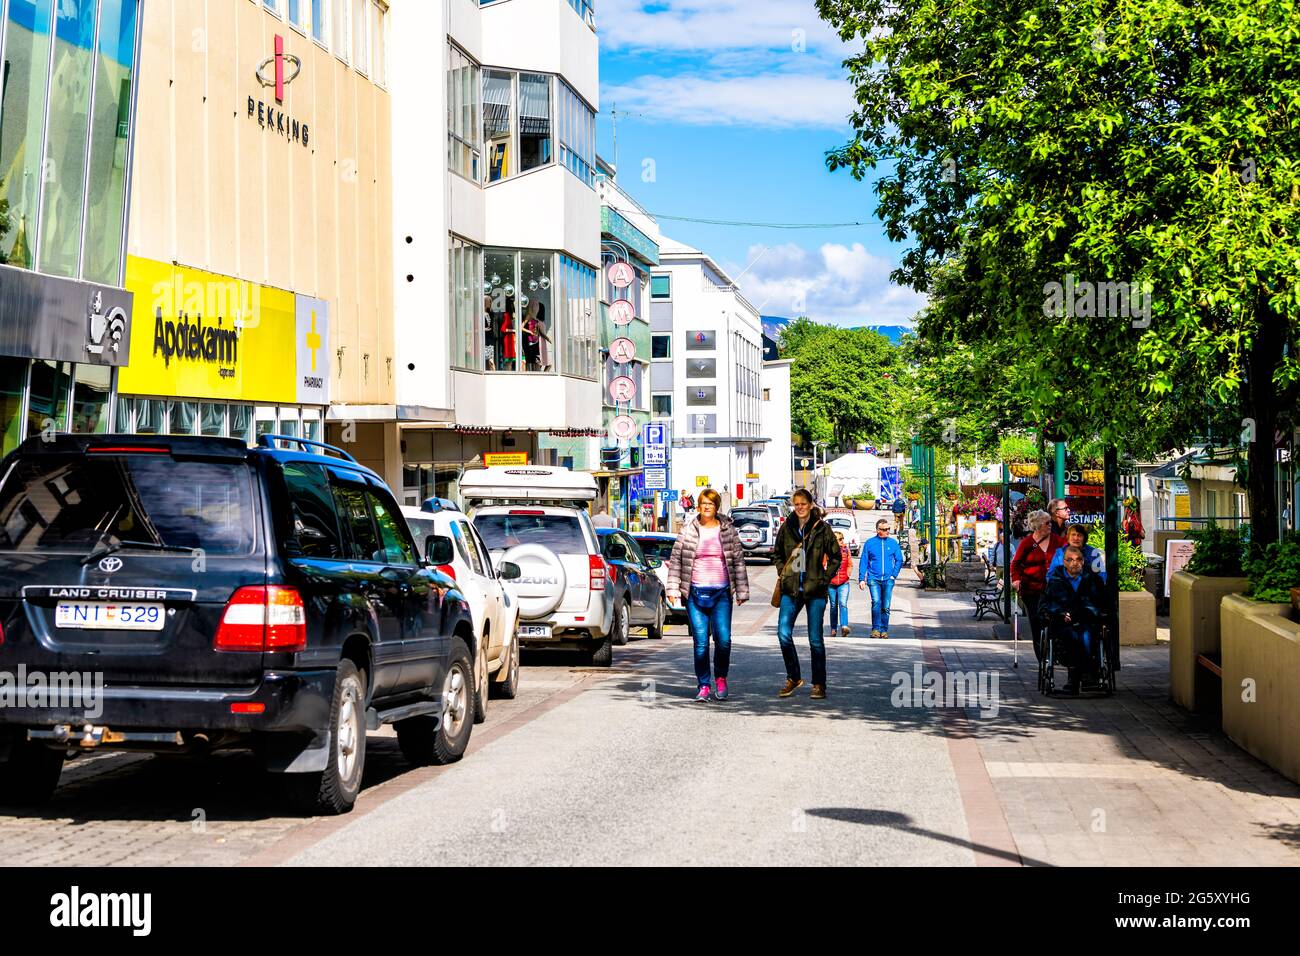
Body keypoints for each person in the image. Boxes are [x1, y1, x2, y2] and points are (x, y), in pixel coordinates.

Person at [666, 488, 749, 702]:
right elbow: (676, 561)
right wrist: (673, 589)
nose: (706, 507)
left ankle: (720, 678)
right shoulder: (688, 529)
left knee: (723, 640)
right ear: (698, 505)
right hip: (695, 592)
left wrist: (741, 590)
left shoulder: (728, 529)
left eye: (710, 504)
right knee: (700, 642)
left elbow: (738, 561)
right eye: (703, 503)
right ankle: (703, 684)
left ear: (716, 506)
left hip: (721, 592)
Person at [772, 488, 840, 699]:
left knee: (815, 640)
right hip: (791, 589)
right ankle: (793, 677)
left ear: (811, 505)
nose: (800, 507)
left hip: (815, 590)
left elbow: (836, 557)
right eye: (797, 504)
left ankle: (819, 684)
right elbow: (777, 554)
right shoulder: (787, 527)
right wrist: (783, 573)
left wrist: (824, 578)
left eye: (803, 503)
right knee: (783, 633)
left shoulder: (822, 528)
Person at [1039, 544, 1104, 694]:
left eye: (1078, 559)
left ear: (1083, 561)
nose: (1074, 563)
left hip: (1085, 620)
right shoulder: (1055, 580)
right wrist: (1060, 613)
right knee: (1072, 636)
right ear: (1064, 562)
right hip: (1062, 623)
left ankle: (1081, 676)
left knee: (1086, 635)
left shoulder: (1092, 579)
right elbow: (1046, 605)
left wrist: (1082, 613)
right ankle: (1078, 676)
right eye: (1070, 560)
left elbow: (1099, 603)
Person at [1010, 509, 1064, 660]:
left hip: (1053, 589)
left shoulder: (1058, 541)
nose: (1050, 525)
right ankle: (1042, 657)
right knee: (1036, 621)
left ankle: (1055, 650)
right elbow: (1015, 564)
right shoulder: (1027, 543)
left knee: (1055, 619)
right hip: (1031, 590)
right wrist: (1016, 580)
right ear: (1038, 525)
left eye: (1050, 522)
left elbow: (1069, 554)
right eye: (1047, 523)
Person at [858, 517, 904, 638]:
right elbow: (864, 561)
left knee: (886, 606)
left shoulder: (893, 543)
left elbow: (899, 559)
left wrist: (894, 575)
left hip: (888, 579)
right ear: (878, 530)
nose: (888, 531)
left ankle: (884, 630)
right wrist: (862, 578)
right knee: (876, 603)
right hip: (873, 578)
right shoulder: (870, 543)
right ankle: (875, 629)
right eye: (885, 529)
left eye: (888, 529)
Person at [826, 531, 852, 637]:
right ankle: (833, 628)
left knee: (843, 604)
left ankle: (844, 626)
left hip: (844, 582)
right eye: (836, 539)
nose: (839, 541)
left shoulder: (846, 550)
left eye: (840, 539)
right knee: (833, 606)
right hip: (831, 583)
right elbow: (823, 564)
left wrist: (847, 574)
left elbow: (850, 564)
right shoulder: (827, 551)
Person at [521, 301, 551, 371]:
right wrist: (530, 332)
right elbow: (521, 327)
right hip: (529, 341)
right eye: (535, 306)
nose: (536, 308)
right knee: (529, 360)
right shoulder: (529, 316)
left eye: (537, 307)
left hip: (536, 341)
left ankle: (538, 376)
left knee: (536, 361)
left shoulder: (537, 318)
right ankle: (529, 375)